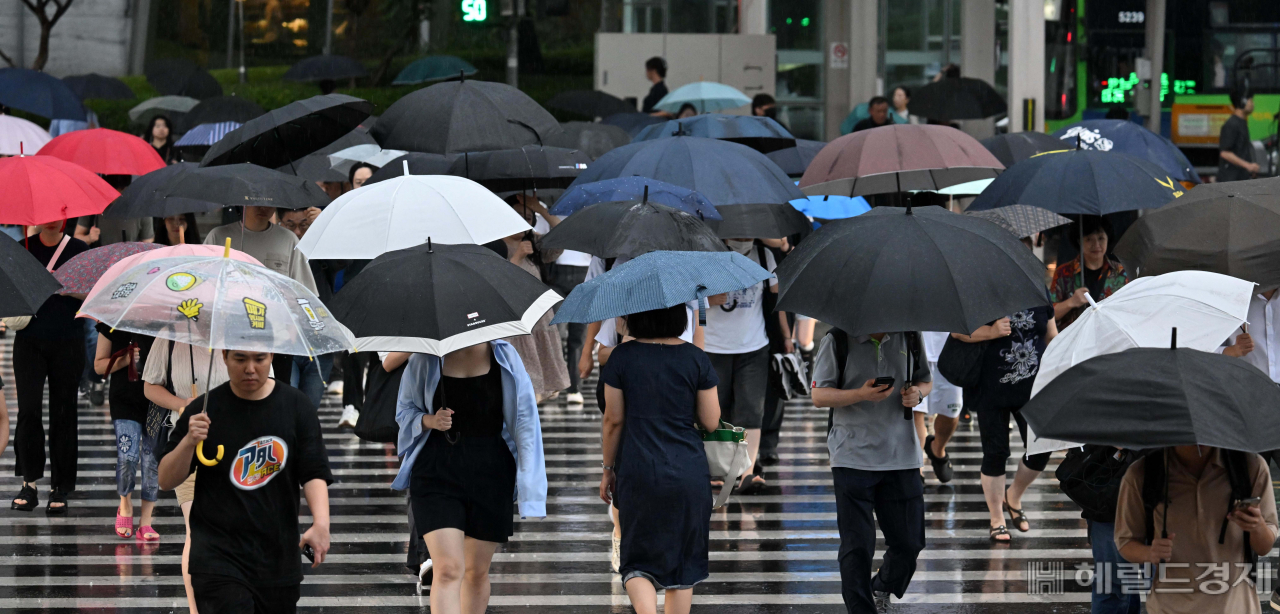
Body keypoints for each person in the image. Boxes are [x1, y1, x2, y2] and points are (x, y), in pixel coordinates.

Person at [159, 348, 332, 614]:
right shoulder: (203, 410)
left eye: (259, 359)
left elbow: (313, 471)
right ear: (225, 356)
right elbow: (165, 479)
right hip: (217, 557)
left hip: (277, 558)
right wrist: (188, 442)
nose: (250, 368)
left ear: (272, 357)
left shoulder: (297, 407)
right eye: (240, 358)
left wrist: (321, 523)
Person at [392, 340, 547, 614]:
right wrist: (429, 420)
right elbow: (403, 412)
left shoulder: (505, 356)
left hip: (491, 472)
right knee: (448, 569)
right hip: (435, 471)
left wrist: (530, 482)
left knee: (476, 572)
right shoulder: (425, 359)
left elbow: (524, 420)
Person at [599, 304, 721, 614]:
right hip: (688, 472)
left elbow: (613, 420)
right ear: (679, 316)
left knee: (637, 561)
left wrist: (608, 470)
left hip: (638, 469)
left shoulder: (621, 358)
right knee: (683, 567)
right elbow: (711, 421)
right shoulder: (696, 358)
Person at [811, 329, 931, 612]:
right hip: (851, 456)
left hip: (902, 455)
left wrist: (917, 393)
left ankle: (884, 586)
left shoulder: (910, 336)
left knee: (910, 542)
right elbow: (818, 395)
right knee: (857, 548)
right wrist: (860, 394)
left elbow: (925, 380)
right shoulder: (837, 339)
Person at [1115, 446, 1278, 613]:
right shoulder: (1143, 473)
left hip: (1235, 607)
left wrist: (1257, 526)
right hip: (1169, 607)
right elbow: (1125, 541)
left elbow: (1264, 546)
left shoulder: (1249, 467)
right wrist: (1149, 553)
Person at [951, 307, 1058, 542]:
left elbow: (1051, 335)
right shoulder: (983, 289)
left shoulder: (1037, 290)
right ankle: (997, 519)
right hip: (990, 388)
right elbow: (957, 333)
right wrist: (991, 331)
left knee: (1041, 448)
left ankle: (1014, 495)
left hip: (1033, 388)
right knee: (995, 453)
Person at [144, 337, 231, 613]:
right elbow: (150, 386)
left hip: (236, 444)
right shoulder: (171, 332)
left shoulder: (238, 331)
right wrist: (183, 404)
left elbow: (267, 381)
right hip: (188, 445)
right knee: (197, 532)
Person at [11, 220, 89, 514]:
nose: (53, 218)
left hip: (68, 340)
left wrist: (68, 289)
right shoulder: (23, 250)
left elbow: (94, 296)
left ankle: (61, 486)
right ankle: (29, 483)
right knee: (28, 411)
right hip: (29, 341)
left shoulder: (79, 250)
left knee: (64, 411)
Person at [704, 239, 790, 494]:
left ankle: (747, 471)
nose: (742, 239)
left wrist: (786, 337)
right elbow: (688, 304)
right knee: (715, 412)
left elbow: (778, 299)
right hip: (712, 347)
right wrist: (707, 301)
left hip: (754, 346)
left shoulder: (764, 256)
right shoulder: (708, 256)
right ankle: (717, 469)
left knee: (752, 408)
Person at [205, 205, 318, 386]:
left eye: (269, 201)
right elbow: (205, 288)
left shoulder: (288, 239)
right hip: (228, 340)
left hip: (277, 342)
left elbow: (303, 292)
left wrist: (291, 333)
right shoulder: (218, 236)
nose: (263, 207)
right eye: (257, 201)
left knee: (274, 402)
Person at [501, 195, 571, 402]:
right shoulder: (495, 246)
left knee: (537, 389)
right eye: (518, 215)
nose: (524, 220)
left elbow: (563, 237)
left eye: (528, 216)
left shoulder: (534, 241)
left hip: (538, 316)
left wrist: (540, 209)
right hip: (511, 319)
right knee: (519, 384)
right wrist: (517, 257)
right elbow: (497, 282)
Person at [94, 324, 159, 541]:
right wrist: (124, 360)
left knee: (152, 461)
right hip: (124, 400)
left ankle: (146, 521)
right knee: (127, 456)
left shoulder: (164, 322)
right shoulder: (112, 323)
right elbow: (98, 366)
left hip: (158, 399)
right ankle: (125, 505)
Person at [277, 206, 335, 410]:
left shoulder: (320, 246)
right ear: (280, 223)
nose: (298, 232)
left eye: (304, 225)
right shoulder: (277, 248)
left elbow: (345, 262)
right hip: (285, 340)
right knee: (286, 403)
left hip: (319, 340)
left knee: (309, 409)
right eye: (290, 225)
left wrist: (323, 227)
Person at [1051, 216, 1128, 329]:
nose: (1096, 244)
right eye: (1089, 239)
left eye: (1101, 238)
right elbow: (1049, 316)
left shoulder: (1120, 272)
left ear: (1108, 238)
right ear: (1079, 241)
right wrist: (1071, 302)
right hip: (1074, 340)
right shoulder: (1064, 273)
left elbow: (1128, 310)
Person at [918, 331, 961, 483]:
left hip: (950, 352)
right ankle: (917, 468)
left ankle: (937, 448)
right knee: (915, 411)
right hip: (913, 349)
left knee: (952, 412)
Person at [1218, 91, 1258, 182]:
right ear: (1242, 102)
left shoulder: (1242, 123)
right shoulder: (1231, 124)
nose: (1253, 104)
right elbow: (1225, 153)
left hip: (1239, 178)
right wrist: (1248, 165)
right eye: (1251, 101)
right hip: (1230, 180)